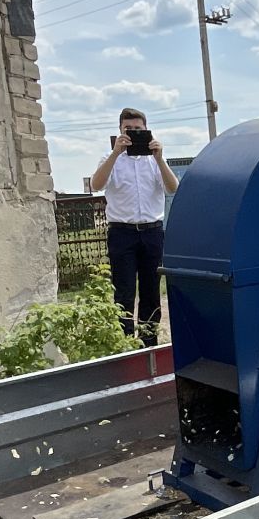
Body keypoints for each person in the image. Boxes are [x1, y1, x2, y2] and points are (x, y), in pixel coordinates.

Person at [91, 107, 179, 344]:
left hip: (152, 232)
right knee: (124, 291)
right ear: (120, 131)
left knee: (151, 291)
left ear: (147, 130)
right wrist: (115, 154)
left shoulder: (155, 160)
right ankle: (126, 344)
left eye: (138, 129)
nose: (132, 133)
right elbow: (96, 184)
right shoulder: (109, 159)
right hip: (122, 233)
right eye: (127, 129)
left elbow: (173, 188)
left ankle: (149, 343)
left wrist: (160, 159)